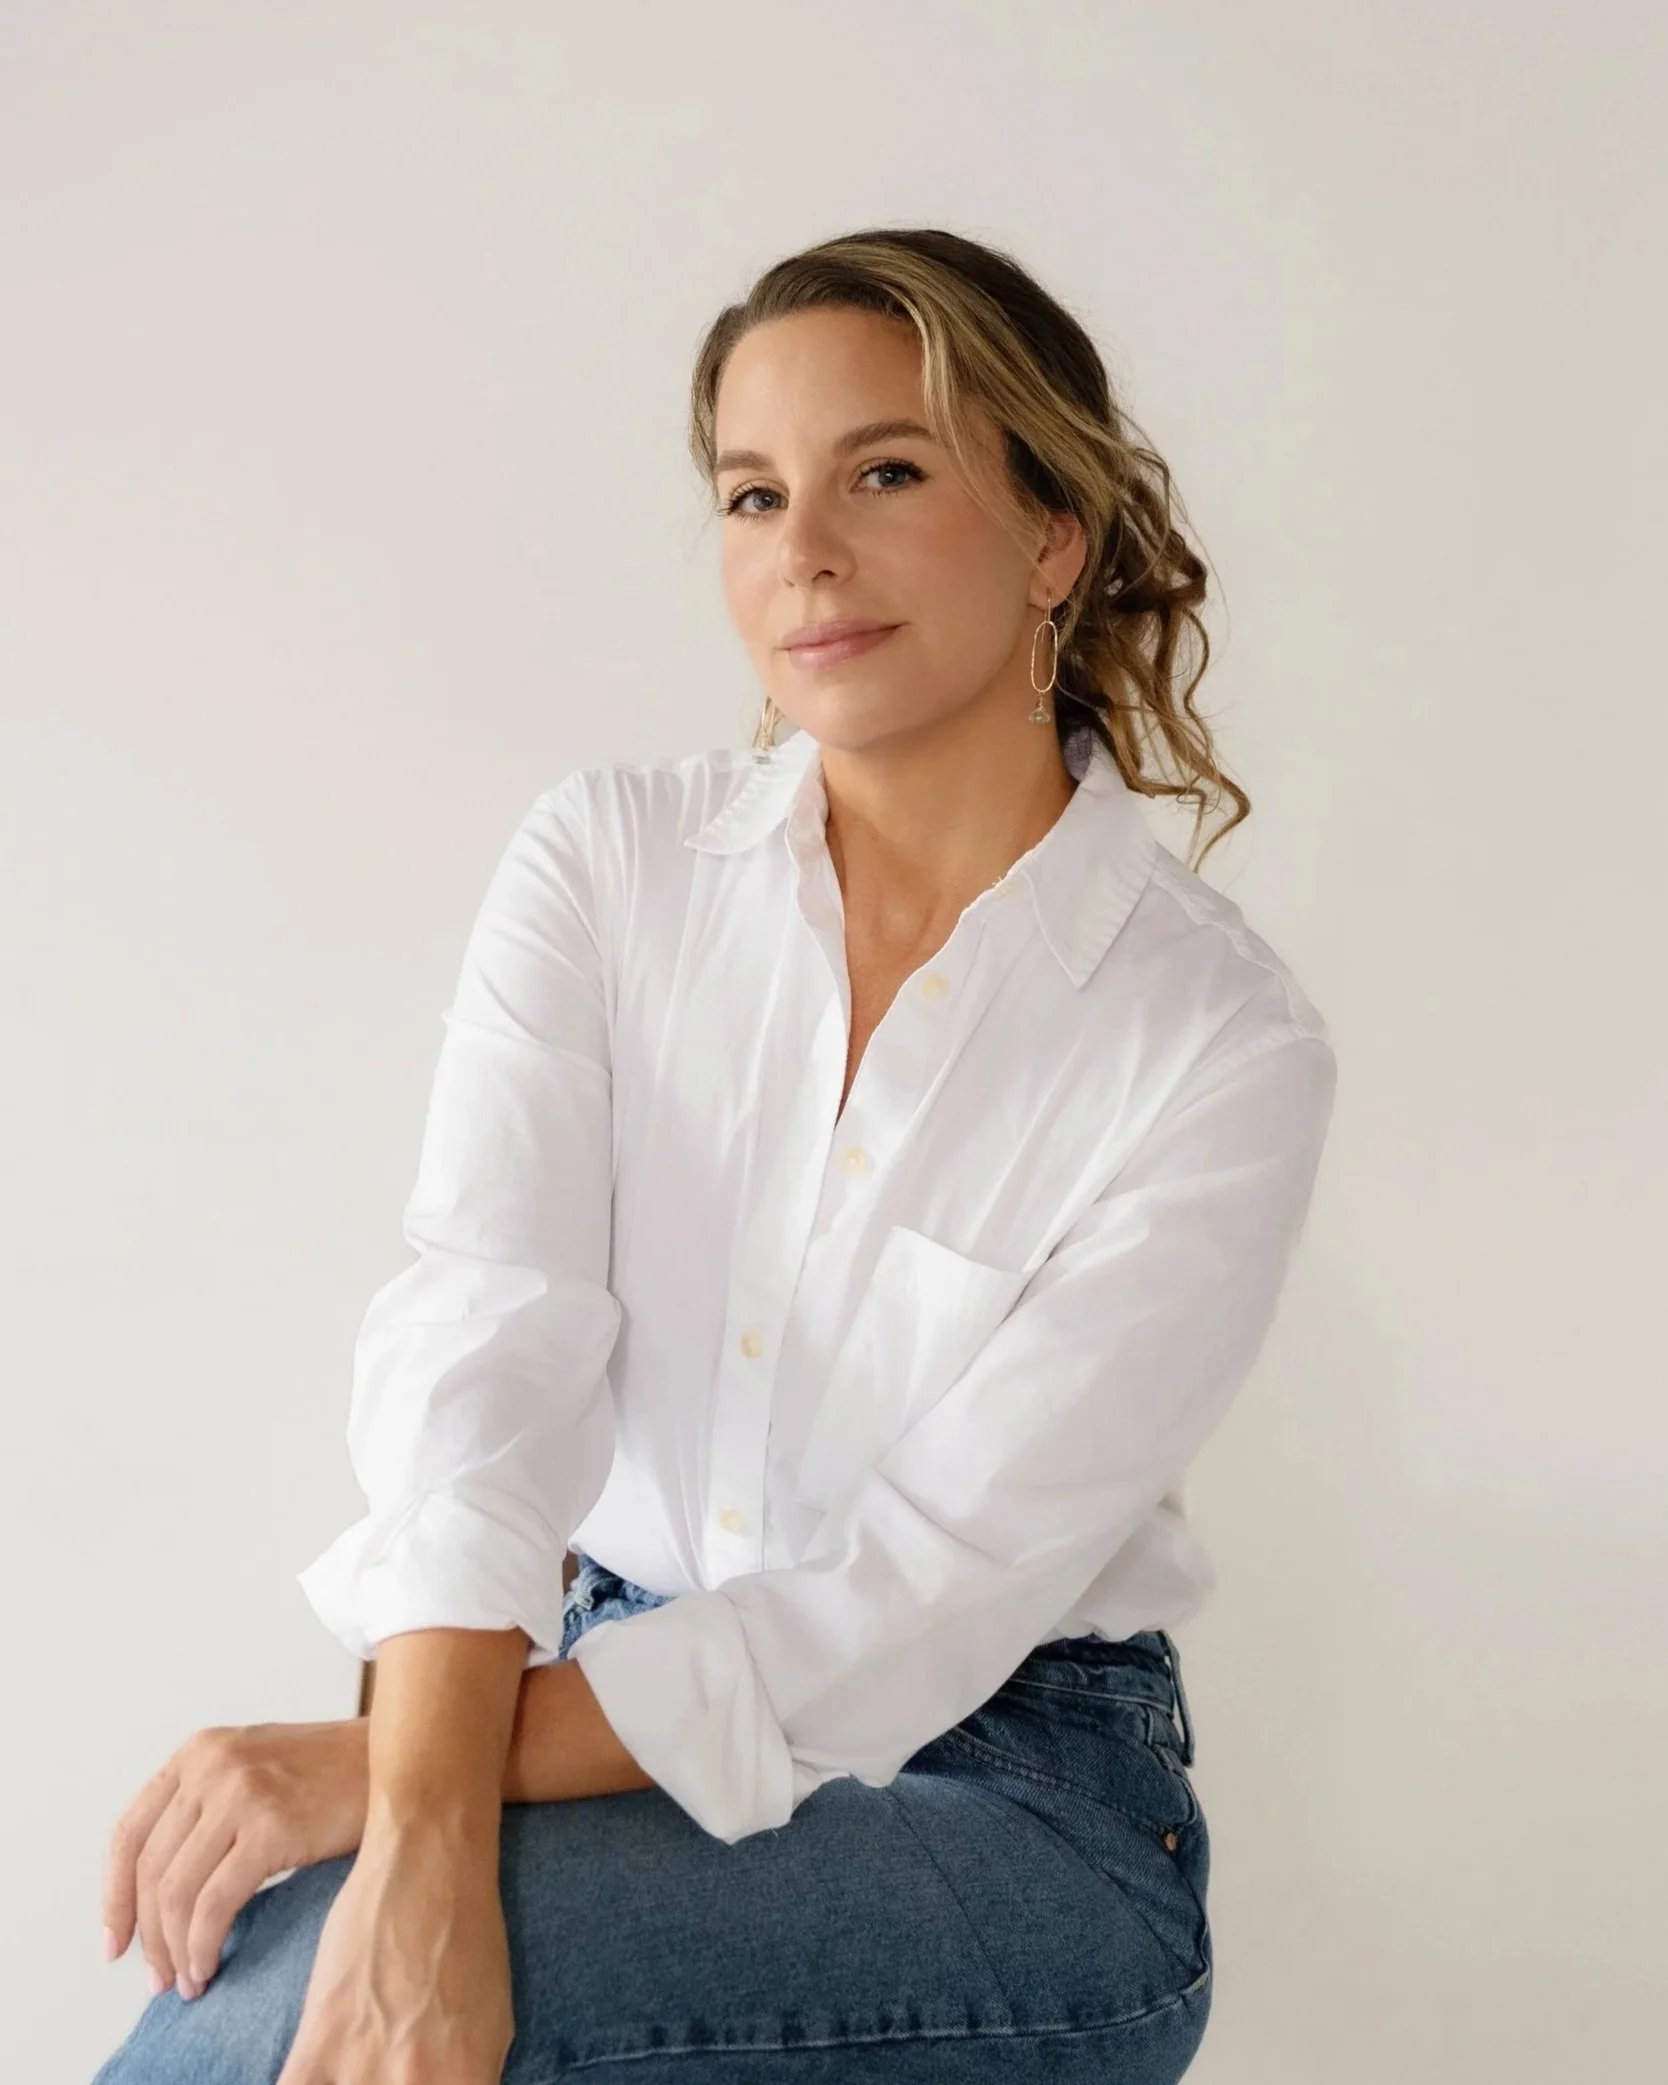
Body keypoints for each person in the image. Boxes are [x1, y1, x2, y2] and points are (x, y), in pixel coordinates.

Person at [91, 226, 1337, 2084]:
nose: (802, 553)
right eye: (753, 495)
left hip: (1012, 1802)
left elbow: (911, 1600)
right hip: (574, 1693)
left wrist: (397, 1780)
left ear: (1055, 537)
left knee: (291, 2014)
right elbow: (483, 1352)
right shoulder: (608, 868)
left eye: (886, 474)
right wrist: (420, 1810)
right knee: (297, 1954)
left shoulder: (1212, 1040)